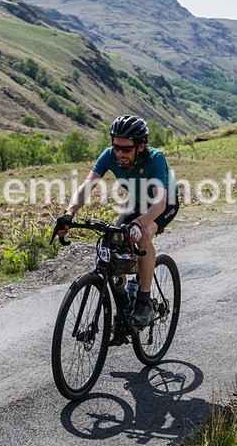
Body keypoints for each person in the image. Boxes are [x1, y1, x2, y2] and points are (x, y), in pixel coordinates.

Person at [55, 115, 178, 327]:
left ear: (141, 146)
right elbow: (86, 186)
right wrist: (69, 214)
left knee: (144, 235)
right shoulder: (110, 156)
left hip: (164, 205)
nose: (120, 153)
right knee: (114, 240)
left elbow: (159, 202)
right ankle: (123, 300)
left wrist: (139, 224)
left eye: (126, 149)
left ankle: (144, 301)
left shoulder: (155, 158)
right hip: (137, 202)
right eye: (116, 146)